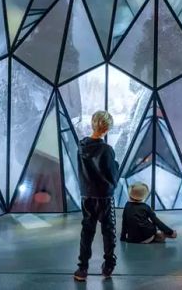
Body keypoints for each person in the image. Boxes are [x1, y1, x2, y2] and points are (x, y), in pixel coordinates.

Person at [74, 111, 120, 282]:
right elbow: (112, 176)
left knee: (87, 231)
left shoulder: (81, 146)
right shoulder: (107, 150)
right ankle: (108, 266)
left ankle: (82, 269)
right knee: (108, 231)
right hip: (105, 197)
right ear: (107, 128)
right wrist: (116, 165)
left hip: (87, 195)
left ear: (93, 124)